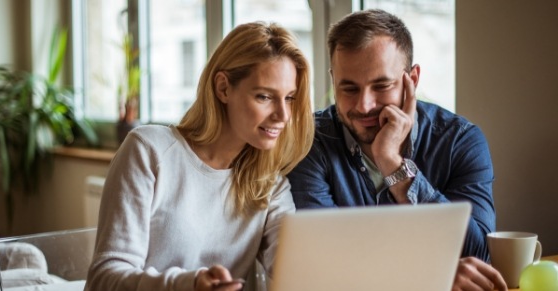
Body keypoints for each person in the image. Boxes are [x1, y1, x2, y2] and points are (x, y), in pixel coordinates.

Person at [286, 9, 508, 291]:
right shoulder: (310, 141)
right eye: (349, 88)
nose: (364, 105)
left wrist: (393, 164)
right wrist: (431, 273)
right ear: (333, 80)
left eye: (381, 86)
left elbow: (478, 256)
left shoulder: (460, 141)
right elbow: (321, 260)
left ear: (412, 80)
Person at [85, 22, 314, 291]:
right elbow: (103, 279)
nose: (283, 115)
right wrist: (189, 285)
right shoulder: (149, 151)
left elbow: (296, 274)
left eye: (289, 98)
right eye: (264, 96)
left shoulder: (270, 185)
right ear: (223, 88)